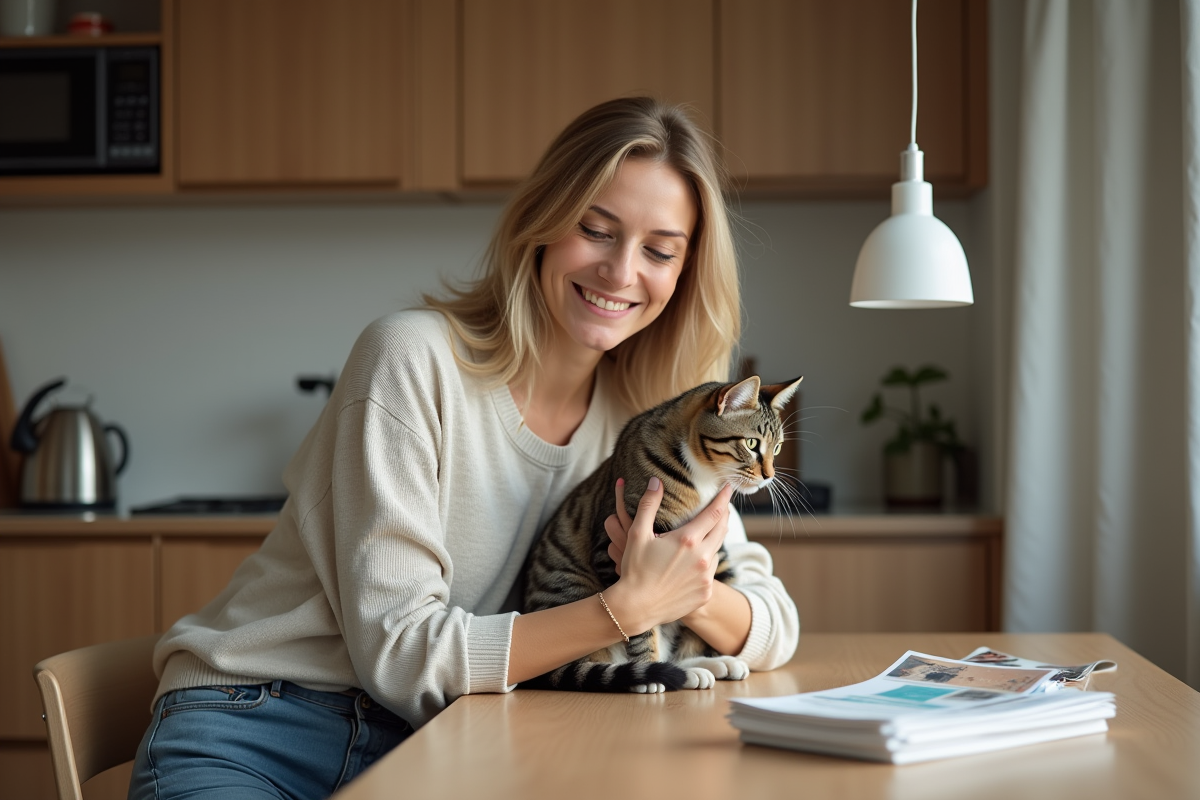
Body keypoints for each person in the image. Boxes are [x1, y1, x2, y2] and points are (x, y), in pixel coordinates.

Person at [128, 96, 800, 800]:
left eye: (660, 250)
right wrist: (628, 609)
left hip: (446, 739)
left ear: (686, 272)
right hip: (260, 726)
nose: (621, 271)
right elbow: (402, 654)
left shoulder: (651, 425)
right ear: (541, 224)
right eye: (595, 230)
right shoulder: (410, 358)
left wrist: (682, 594)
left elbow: (771, 622)